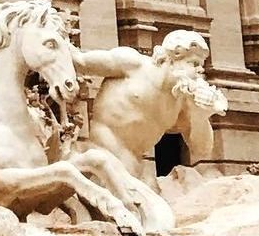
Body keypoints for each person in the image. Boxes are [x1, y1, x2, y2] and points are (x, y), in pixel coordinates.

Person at [73, 30, 229, 184]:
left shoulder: (182, 102)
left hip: (134, 163)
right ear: (173, 57)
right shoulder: (133, 64)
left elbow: (201, 150)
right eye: (194, 63)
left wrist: (201, 115)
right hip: (100, 149)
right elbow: (80, 62)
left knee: (149, 192)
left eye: (201, 65)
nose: (200, 71)